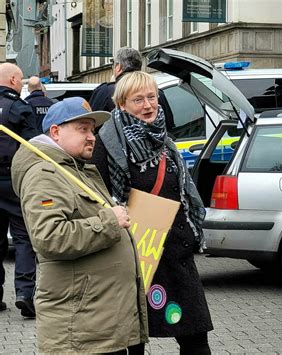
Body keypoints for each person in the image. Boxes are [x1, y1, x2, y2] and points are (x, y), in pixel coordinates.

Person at [11, 97, 148, 354]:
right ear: (55, 132)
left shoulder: (78, 169)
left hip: (100, 320)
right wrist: (109, 221)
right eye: (82, 128)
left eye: (92, 130)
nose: (91, 137)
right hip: (81, 327)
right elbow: (50, 237)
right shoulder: (45, 174)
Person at [92, 71, 213, 354]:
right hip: (136, 257)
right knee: (133, 341)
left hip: (175, 255)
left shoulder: (165, 141)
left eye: (152, 97)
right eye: (138, 99)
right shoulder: (108, 143)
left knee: (196, 338)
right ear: (122, 104)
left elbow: (183, 191)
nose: (148, 105)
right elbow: (99, 197)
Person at [0, 63, 38, 317]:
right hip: (12, 181)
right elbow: (35, 146)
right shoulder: (20, 107)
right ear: (13, 80)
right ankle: (24, 293)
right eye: (21, 81)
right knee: (23, 238)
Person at [89, 47, 142, 112]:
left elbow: (92, 118)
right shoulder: (151, 88)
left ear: (118, 66)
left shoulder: (106, 91)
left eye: (113, 65)